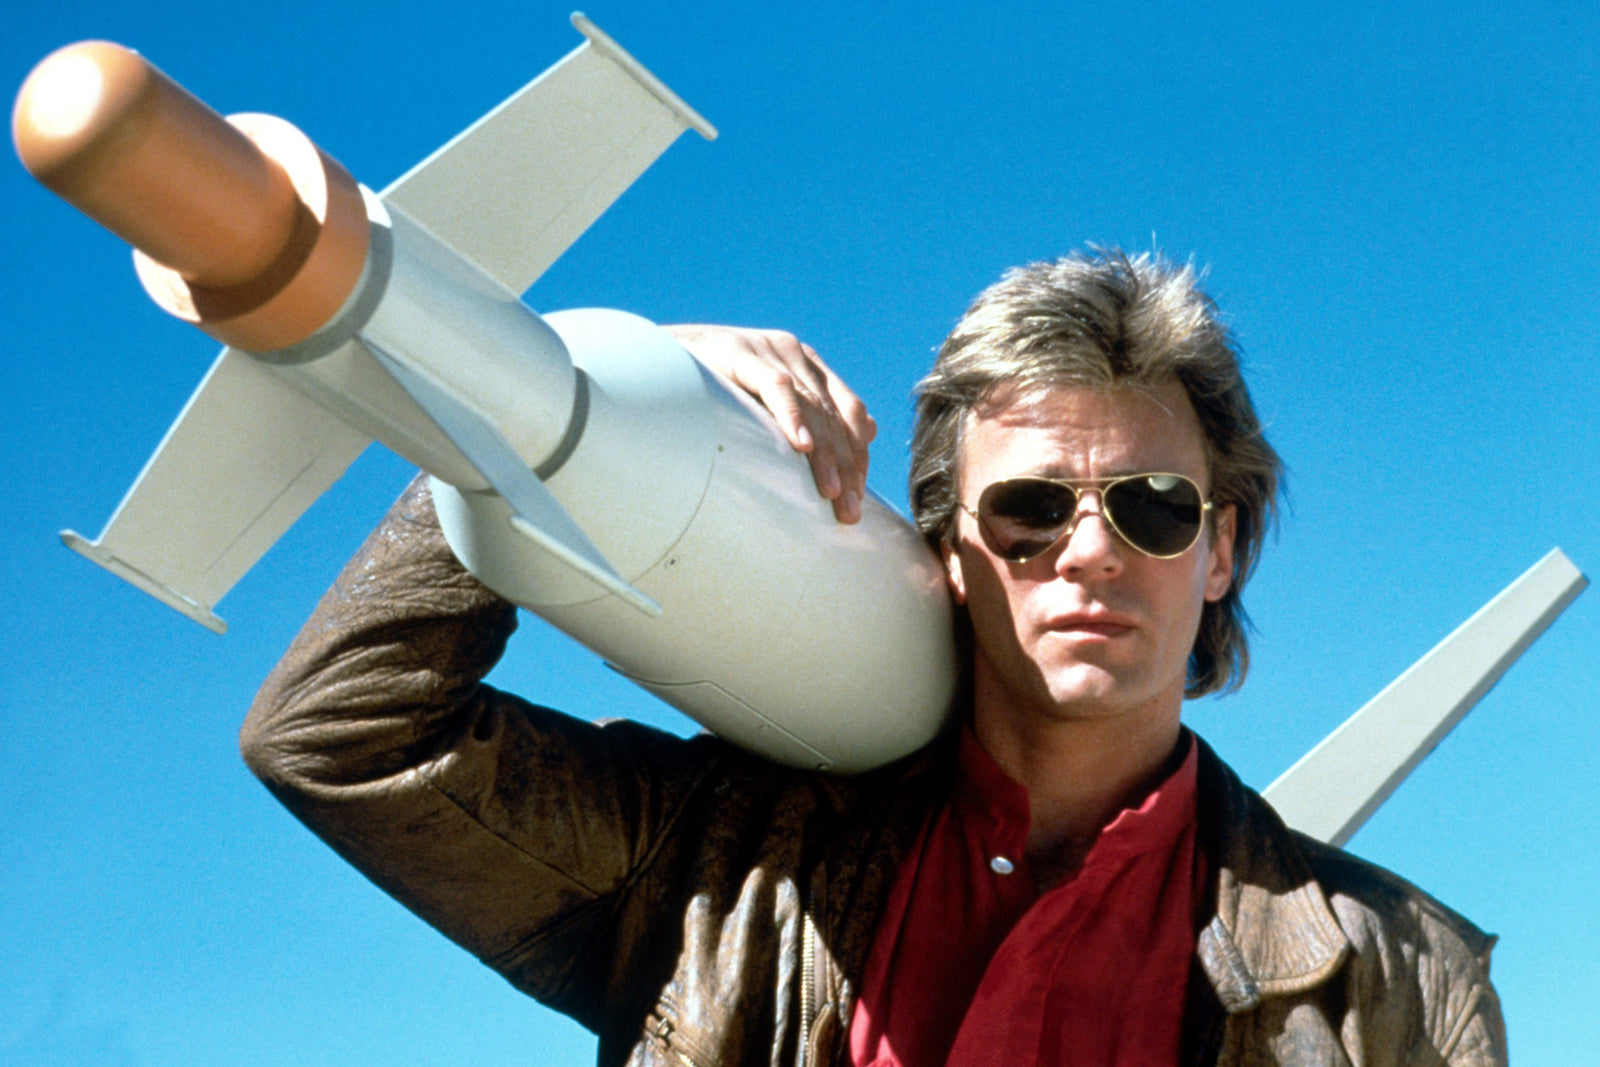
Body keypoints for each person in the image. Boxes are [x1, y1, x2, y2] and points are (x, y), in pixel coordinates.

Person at [241, 249, 1506, 1065]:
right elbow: (337, 735)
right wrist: (552, 416)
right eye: (1029, 509)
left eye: (1153, 507)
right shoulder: (712, 862)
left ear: (1219, 548)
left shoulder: (1403, 977)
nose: (1090, 551)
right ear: (948, 548)